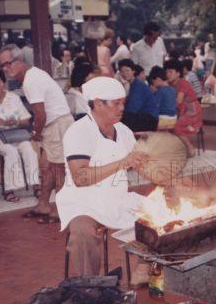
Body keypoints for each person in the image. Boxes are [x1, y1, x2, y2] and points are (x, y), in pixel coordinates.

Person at [56, 77, 148, 276]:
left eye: (123, 102)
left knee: (159, 214)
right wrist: (123, 162)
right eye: (116, 103)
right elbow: (80, 178)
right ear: (98, 103)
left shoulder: (123, 131)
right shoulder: (79, 131)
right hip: (84, 203)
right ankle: (90, 287)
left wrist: (169, 178)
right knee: (82, 233)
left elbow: (141, 164)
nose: (122, 107)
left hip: (118, 200)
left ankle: (145, 269)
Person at [0, 44, 74, 224]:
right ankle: (43, 205)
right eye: (2, 66)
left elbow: (40, 114)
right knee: (46, 168)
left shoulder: (31, 80)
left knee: (57, 171)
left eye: (8, 64)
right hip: (54, 125)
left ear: (19, 61)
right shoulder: (32, 75)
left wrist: (35, 132)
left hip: (57, 125)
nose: (5, 69)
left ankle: (63, 211)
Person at [0, 66, 40, 203]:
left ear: (3, 82)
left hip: (17, 134)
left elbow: (27, 120)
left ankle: (36, 185)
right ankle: (9, 190)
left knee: (29, 150)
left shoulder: (14, 97)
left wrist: (15, 121)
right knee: (11, 152)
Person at [164, 59, 203, 157]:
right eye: (167, 72)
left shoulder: (183, 83)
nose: (168, 74)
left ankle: (190, 148)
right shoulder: (170, 84)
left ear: (178, 73)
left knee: (177, 126)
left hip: (192, 112)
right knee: (165, 124)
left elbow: (178, 101)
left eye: (171, 72)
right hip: (181, 111)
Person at [117, 59, 158, 132]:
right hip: (142, 117)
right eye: (122, 71)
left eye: (127, 70)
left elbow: (132, 108)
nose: (125, 73)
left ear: (133, 71)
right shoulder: (132, 84)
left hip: (149, 120)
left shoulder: (138, 86)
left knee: (118, 120)